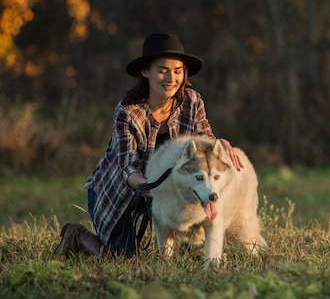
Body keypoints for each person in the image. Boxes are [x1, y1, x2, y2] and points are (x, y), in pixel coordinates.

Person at [55, 33, 242, 257]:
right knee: (121, 259)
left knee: (192, 251)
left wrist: (218, 142)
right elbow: (128, 169)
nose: (171, 78)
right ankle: (77, 235)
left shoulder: (192, 101)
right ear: (145, 72)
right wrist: (152, 188)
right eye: (162, 70)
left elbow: (204, 141)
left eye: (178, 71)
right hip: (120, 193)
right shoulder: (127, 112)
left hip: (167, 190)